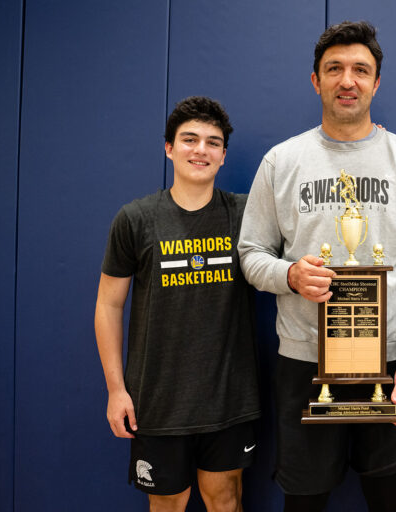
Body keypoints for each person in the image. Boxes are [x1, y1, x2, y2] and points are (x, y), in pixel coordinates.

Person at [238, 20, 396, 512]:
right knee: (304, 500)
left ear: (376, 82)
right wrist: (289, 275)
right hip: (304, 361)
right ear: (316, 80)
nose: (347, 80)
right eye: (334, 69)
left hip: (392, 364)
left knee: (390, 500)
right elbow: (250, 254)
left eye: (360, 69)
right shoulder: (281, 162)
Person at [94, 96, 259, 512]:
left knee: (225, 500)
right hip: (158, 402)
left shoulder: (245, 214)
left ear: (223, 155)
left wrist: (360, 150)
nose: (200, 150)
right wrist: (116, 390)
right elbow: (109, 306)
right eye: (189, 139)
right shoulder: (135, 219)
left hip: (228, 399)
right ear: (169, 148)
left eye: (212, 142)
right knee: (168, 504)